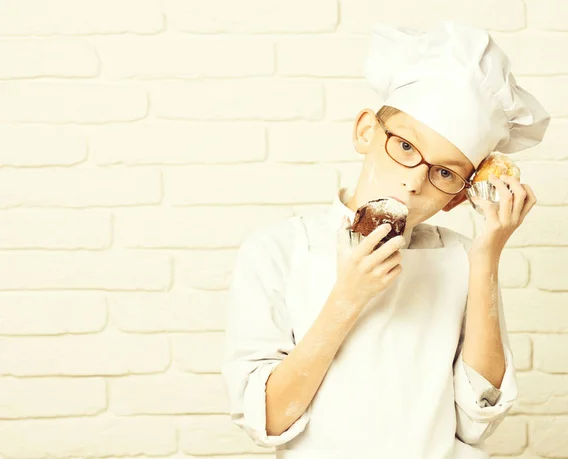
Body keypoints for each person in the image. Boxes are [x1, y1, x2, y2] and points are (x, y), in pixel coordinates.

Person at [221, 20, 551, 459]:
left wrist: (486, 255)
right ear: (365, 132)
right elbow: (270, 420)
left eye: (445, 173)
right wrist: (348, 298)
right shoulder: (277, 251)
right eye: (407, 148)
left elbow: (475, 423)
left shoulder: (458, 260)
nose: (415, 182)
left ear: (457, 199)